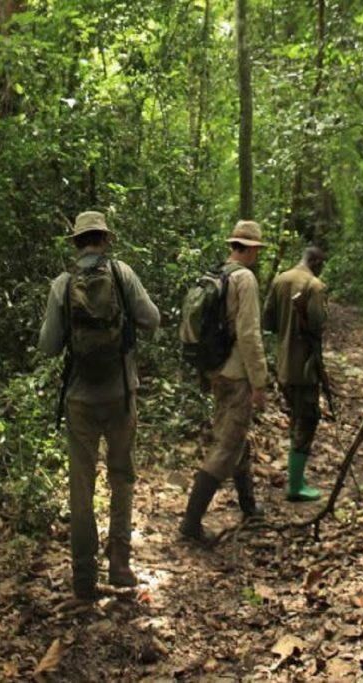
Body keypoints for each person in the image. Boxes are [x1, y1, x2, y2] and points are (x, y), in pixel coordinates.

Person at [39, 211, 160, 600]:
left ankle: (84, 576)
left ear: (77, 242)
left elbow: (48, 346)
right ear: (105, 239)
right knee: (121, 477)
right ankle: (120, 565)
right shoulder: (122, 273)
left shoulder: (63, 283)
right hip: (121, 394)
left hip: (79, 399)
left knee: (82, 486)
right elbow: (151, 318)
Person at [180, 220, 269, 544]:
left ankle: (249, 506)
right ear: (253, 249)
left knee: (234, 434)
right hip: (235, 373)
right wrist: (259, 381)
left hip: (214, 369)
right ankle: (190, 523)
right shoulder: (244, 279)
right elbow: (249, 334)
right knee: (227, 444)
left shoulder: (216, 274)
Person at [263, 246, 327, 501]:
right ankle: (296, 486)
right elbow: (317, 327)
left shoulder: (280, 279)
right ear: (314, 260)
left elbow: (267, 323)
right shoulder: (315, 285)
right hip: (305, 369)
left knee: (296, 417)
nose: (322, 268)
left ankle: (295, 476)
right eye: (321, 263)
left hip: (283, 366)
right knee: (308, 419)